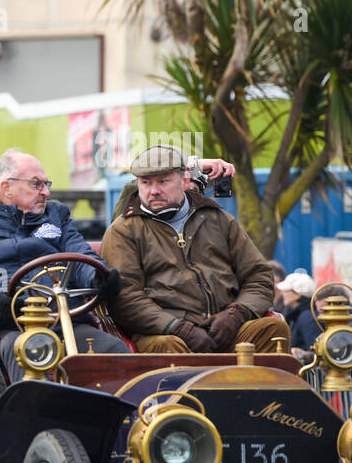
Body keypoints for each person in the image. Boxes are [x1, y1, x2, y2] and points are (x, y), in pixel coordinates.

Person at [0, 148, 129, 382]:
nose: (46, 192)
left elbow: (80, 258)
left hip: (67, 320)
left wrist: (98, 278)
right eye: (36, 184)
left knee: (115, 351)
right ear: (7, 187)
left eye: (46, 184)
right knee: (30, 353)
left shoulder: (57, 215)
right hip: (11, 328)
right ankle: (33, 417)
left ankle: (121, 417)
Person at [101, 145, 289, 354]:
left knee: (274, 329)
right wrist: (179, 328)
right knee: (165, 346)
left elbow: (259, 276)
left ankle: (255, 387)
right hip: (166, 333)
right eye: (145, 183)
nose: (153, 191)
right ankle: (186, 388)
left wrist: (236, 315)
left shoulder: (218, 220)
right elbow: (125, 297)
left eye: (163, 181)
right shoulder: (123, 231)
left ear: (184, 181)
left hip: (227, 328)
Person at [276, 271, 320, 358]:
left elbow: (315, 350)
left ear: (298, 294)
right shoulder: (299, 315)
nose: (282, 293)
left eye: (286, 290)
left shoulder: (306, 317)